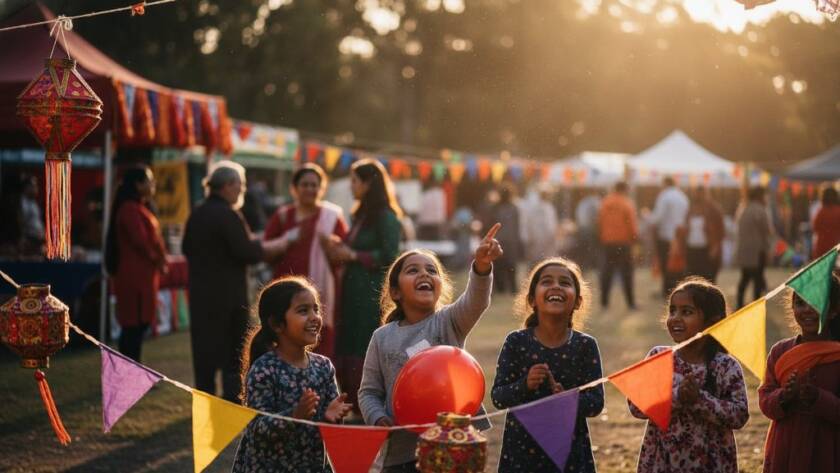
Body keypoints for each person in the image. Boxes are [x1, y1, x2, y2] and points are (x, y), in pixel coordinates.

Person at [358, 224, 503, 472]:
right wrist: (378, 418)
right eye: (413, 270)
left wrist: (481, 266)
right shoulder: (382, 337)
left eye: (431, 270)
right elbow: (368, 392)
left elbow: (476, 301)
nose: (424, 274)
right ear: (395, 291)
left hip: (451, 445)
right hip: (400, 452)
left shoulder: (448, 322)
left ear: (440, 286)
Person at [182, 161, 286, 402]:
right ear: (228, 185)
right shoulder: (228, 214)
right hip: (228, 296)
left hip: (200, 295)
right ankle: (232, 402)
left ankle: (205, 401)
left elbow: (187, 248)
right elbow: (247, 251)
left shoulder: (197, 212)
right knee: (233, 354)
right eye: (241, 184)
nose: (243, 190)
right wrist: (275, 245)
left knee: (204, 355)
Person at [492, 257, 604, 472]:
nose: (555, 286)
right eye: (547, 281)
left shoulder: (585, 345)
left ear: (578, 301)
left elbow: (596, 403)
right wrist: (525, 385)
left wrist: (569, 399)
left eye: (564, 282)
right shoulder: (516, 342)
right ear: (532, 299)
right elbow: (498, 397)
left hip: (570, 454)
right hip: (521, 453)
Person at [232, 276, 351, 473]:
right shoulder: (265, 369)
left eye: (316, 309)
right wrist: (295, 415)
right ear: (277, 324)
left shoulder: (323, 367)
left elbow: (328, 423)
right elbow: (256, 429)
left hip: (311, 466)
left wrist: (331, 418)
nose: (314, 317)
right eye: (303, 311)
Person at [630, 277, 749, 472]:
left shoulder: (725, 366)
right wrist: (676, 395)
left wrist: (699, 399)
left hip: (710, 462)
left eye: (687, 312)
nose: (675, 317)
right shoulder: (658, 357)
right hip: (662, 461)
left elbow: (739, 416)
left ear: (713, 322)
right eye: (672, 310)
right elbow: (635, 406)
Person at [321, 158, 403, 411]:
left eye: (355, 181)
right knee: (349, 339)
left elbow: (391, 255)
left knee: (364, 341)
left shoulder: (386, 216)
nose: (351, 186)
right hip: (352, 290)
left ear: (368, 184)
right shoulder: (361, 215)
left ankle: (367, 401)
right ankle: (351, 401)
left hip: (370, 291)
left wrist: (354, 255)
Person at [263, 164, 348, 359]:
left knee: (320, 339)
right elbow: (265, 252)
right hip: (285, 292)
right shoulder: (283, 216)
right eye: (305, 184)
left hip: (321, 293)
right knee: (284, 338)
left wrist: (330, 246)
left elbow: (343, 256)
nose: (310, 189)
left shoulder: (331, 217)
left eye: (314, 185)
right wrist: (286, 240)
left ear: (322, 188)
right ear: (294, 188)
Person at [759, 273, 840, 473]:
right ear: (793, 307)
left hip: (827, 449)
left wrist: (817, 397)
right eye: (801, 303)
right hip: (786, 446)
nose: (807, 310)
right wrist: (784, 396)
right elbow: (765, 399)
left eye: (817, 302)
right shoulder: (780, 352)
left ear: (834, 310)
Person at [104, 166, 167, 362]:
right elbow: (141, 242)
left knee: (138, 327)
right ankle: (128, 373)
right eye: (149, 180)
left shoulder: (138, 207)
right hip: (134, 278)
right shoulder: (129, 209)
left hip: (142, 276)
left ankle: (132, 372)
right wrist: (159, 259)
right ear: (138, 185)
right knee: (133, 327)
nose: (152, 184)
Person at [598, 181, 638, 310]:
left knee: (607, 272)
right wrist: (635, 239)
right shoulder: (627, 203)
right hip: (624, 242)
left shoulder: (605, 202)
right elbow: (631, 224)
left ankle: (604, 302)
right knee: (627, 273)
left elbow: (599, 222)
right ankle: (630, 303)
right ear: (625, 189)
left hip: (608, 242)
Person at [649, 177, 689, 298]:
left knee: (666, 265)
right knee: (678, 265)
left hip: (666, 236)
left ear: (665, 184)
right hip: (680, 236)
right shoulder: (683, 197)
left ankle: (667, 292)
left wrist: (647, 216)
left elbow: (657, 218)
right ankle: (679, 291)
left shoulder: (664, 196)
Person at [735, 186, 773, 308]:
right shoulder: (760, 210)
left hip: (744, 250)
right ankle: (756, 306)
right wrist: (768, 250)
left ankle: (739, 304)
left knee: (745, 279)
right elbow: (766, 231)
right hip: (758, 251)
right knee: (757, 281)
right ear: (760, 196)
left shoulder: (743, 209)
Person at [684, 188, 725, 282]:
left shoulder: (714, 210)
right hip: (691, 249)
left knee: (707, 277)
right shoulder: (690, 209)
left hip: (706, 249)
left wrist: (715, 247)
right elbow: (686, 228)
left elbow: (720, 232)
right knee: (692, 277)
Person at [491, 184, 522, 294]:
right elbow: (517, 226)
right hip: (511, 240)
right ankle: (512, 289)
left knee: (499, 265)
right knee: (511, 266)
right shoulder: (514, 208)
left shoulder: (495, 208)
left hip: (499, 240)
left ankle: (501, 288)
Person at [520, 186, 558, 266]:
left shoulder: (540, 208)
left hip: (537, 240)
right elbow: (550, 226)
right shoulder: (548, 208)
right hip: (541, 240)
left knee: (536, 264)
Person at [574, 189, 601, 270]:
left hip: (582, 229)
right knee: (592, 248)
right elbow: (597, 217)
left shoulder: (582, 202)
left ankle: (584, 266)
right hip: (591, 230)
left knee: (584, 249)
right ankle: (591, 265)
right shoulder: (596, 202)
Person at [811, 186, 840, 260]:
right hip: (836, 246)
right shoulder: (838, 211)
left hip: (821, 247)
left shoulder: (821, 212)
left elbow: (815, 228)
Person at [18, 175, 44, 255]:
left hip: (38, 240)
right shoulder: (22, 202)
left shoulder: (34, 203)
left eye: (36, 186)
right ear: (26, 187)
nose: (35, 189)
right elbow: (21, 223)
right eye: (33, 186)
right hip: (29, 241)